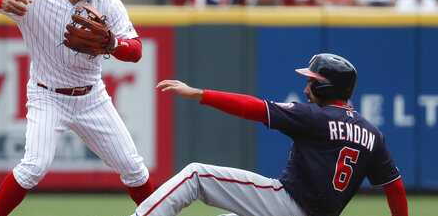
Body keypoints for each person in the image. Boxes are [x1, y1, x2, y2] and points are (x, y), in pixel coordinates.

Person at [0, 0, 154, 216]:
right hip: (47, 96)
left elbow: (136, 51)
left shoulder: (108, 1)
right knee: (33, 166)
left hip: (92, 97)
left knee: (134, 169)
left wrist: (113, 44)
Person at [130, 53, 408, 216]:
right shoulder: (372, 135)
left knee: (196, 175)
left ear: (326, 87)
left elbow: (253, 108)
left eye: (312, 82)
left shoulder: (314, 116)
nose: (306, 88)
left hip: (288, 205)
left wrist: (199, 93)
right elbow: (394, 187)